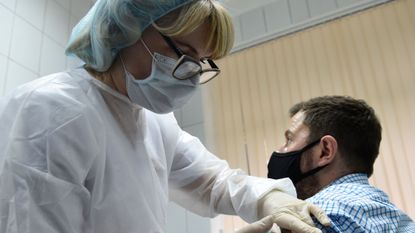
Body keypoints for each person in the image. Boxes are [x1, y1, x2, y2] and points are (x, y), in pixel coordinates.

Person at [0, 1, 331, 232]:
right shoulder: (53, 112)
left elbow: (214, 181)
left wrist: (270, 199)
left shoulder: (153, 121)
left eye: (201, 62)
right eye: (184, 54)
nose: (190, 74)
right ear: (129, 28)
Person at [267, 95, 415, 232]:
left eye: (289, 140)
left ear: (325, 151)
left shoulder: (318, 216)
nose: (280, 150)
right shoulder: (395, 217)